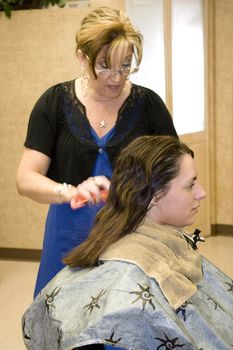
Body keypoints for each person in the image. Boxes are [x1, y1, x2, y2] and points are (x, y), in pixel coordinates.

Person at [16, 6, 178, 297]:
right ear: (82, 56)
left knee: (124, 324)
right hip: (69, 233)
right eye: (104, 66)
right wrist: (69, 192)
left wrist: (139, 190)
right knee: (65, 319)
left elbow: (176, 174)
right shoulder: (53, 103)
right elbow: (26, 178)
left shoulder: (149, 106)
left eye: (126, 65)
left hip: (132, 235)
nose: (116, 78)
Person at [22, 135, 233, 350]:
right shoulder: (128, 291)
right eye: (190, 185)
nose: (202, 193)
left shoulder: (158, 239)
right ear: (155, 196)